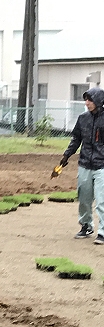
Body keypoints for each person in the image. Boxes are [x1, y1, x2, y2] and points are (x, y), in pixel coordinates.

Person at [58, 87, 104, 244]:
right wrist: (66, 155)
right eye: (86, 100)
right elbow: (76, 139)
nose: (87, 103)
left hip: (102, 165)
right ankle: (86, 225)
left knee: (101, 200)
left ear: (99, 101)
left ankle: (102, 232)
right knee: (84, 197)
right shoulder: (82, 118)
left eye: (90, 100)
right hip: (85, 163)